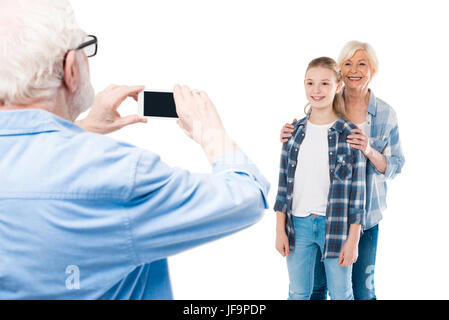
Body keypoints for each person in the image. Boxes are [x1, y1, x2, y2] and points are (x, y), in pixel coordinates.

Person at [0, 0, 269, 299]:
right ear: (71, 68)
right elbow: (246, 198)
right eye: (84, 48)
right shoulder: (118, 174)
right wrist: (211, 132)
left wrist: (84, 129)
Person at [280, 41, 405, 300]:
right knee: (314, 287)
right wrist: (290, 132)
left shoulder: (384, 114)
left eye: (362, 64)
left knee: (361, 290)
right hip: (320, 216)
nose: (354, 70)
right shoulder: (328, 101)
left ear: (373, 70)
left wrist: (369, 150)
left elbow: (395, 166)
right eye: (347, 63)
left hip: (364, 217)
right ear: (340, 73)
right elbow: (310, 129)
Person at [274, 57, 366, 300]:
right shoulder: (293, 134)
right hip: (298, 226)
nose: (316, 90)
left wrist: (353, 239)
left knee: (341, 293)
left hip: (335, 225)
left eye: (324, 83)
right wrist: (279, 230)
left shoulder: (350, 134)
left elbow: (358, 194)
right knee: (298, 292)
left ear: (337, 87)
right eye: (310, 83)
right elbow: (283, 185)